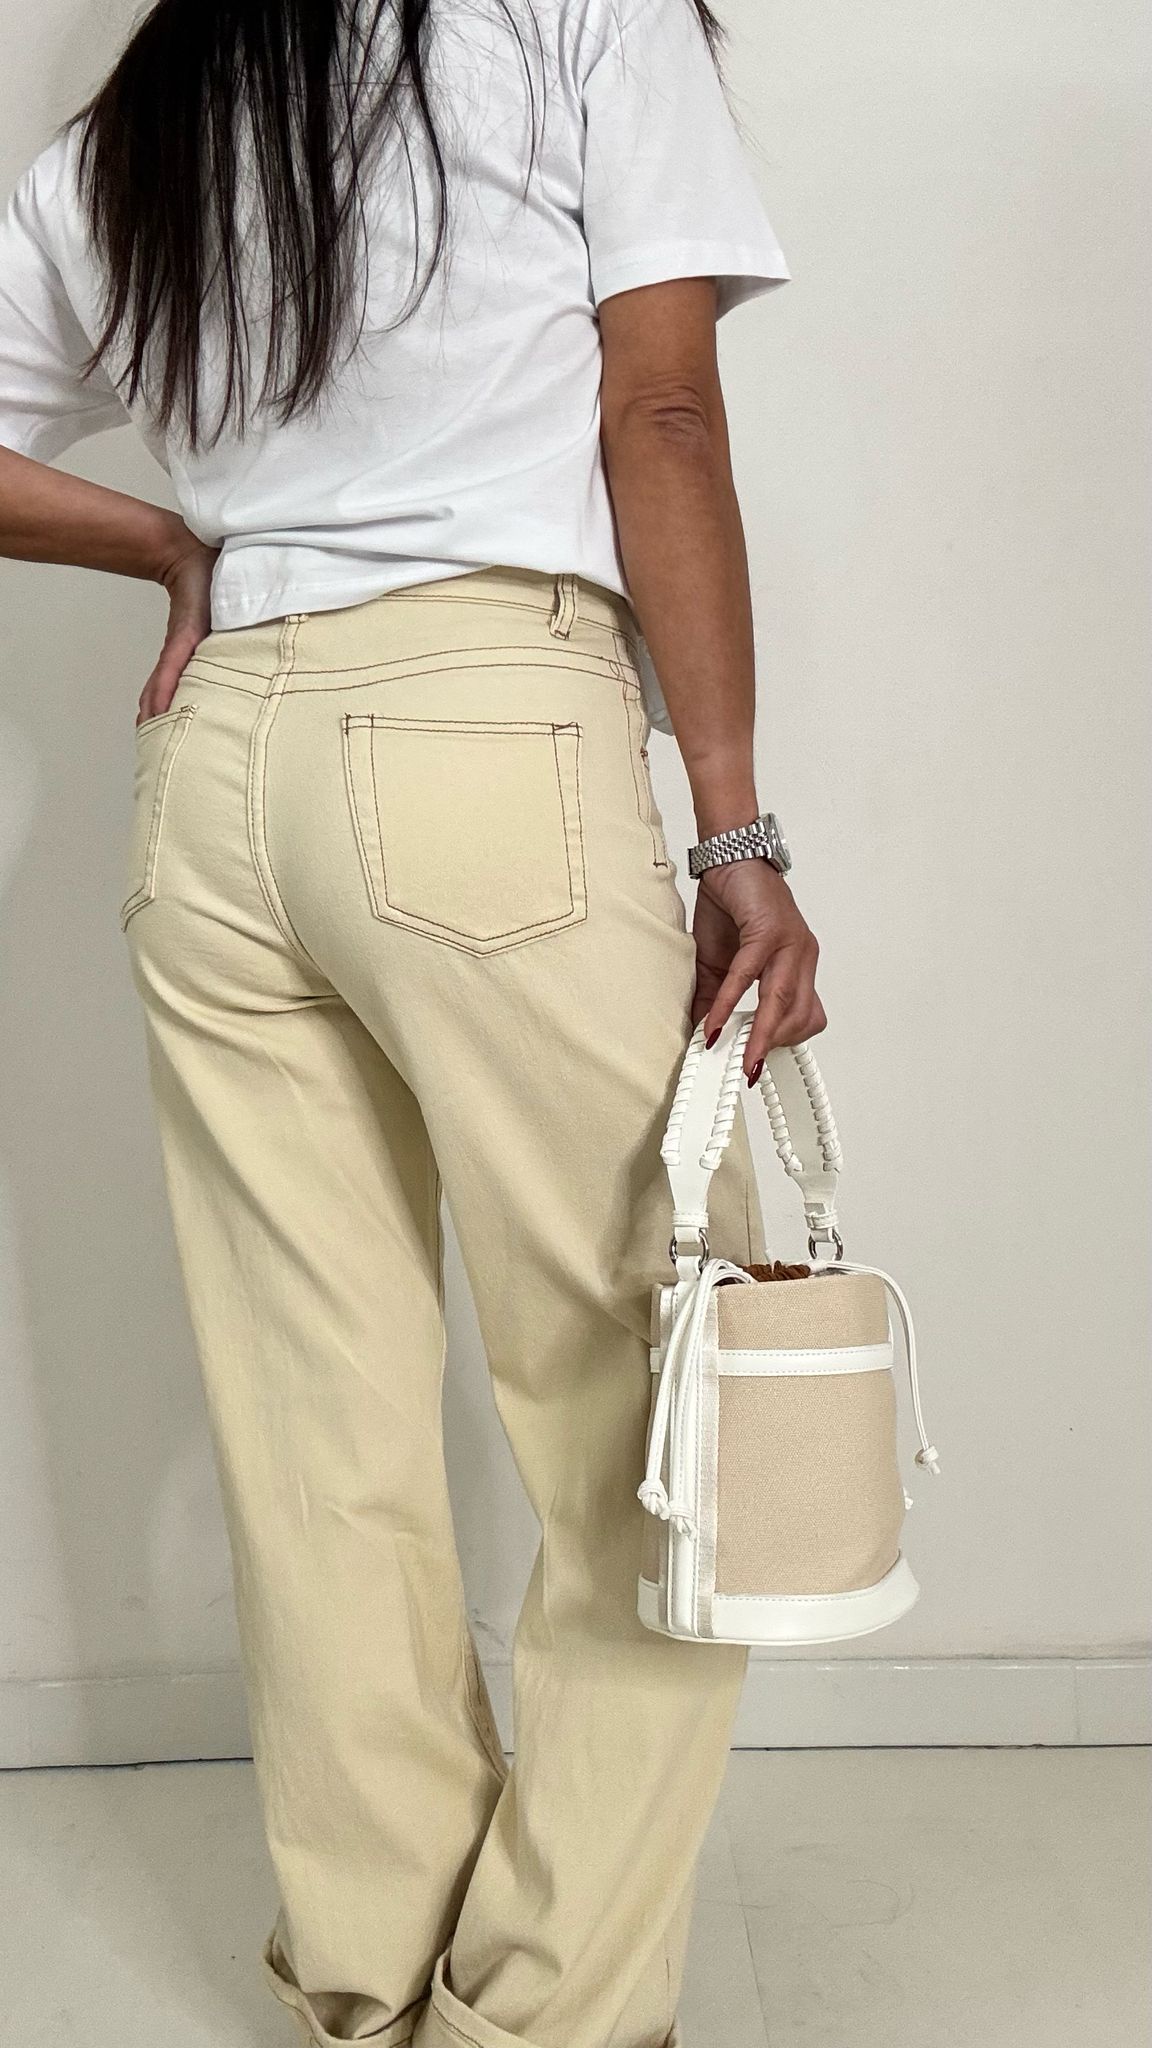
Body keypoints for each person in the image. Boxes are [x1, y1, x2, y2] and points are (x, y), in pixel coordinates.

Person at [0, 3, 825, 2044]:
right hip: (483, 741)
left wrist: (175, 541)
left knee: (314, 1430)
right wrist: (733, 823)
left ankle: (374, 1989)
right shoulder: (574, 15)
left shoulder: (154, 111)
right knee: (668, 1406)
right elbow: (662, 415)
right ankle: (540, 2018)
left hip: (215, 778)